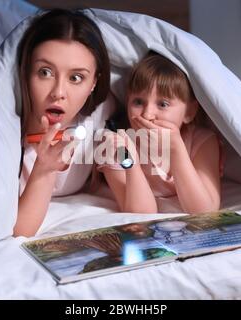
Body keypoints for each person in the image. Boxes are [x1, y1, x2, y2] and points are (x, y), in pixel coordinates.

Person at [14, 9, 111, 237]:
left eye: (76, 78)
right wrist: (44, 169)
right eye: (45, 72)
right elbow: (21, 230)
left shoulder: (98, 114)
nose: (58, 93)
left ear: (93, 83)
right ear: (26, 72)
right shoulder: (5, 132)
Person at [97, 52, 224, 214]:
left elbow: (204, 211)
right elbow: (142, 213)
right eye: (138, 102)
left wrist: (176, 149)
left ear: (189, 112)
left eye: (163, 104)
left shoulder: (203, 141)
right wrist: (131, 163)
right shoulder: (116, 145)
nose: (147, 114)